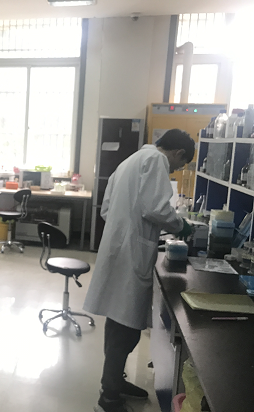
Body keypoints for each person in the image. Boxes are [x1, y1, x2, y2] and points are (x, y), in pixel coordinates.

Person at [83, 129, 193, 412]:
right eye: (179, 165)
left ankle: (114, 383)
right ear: (178, 152)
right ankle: (108, 399)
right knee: (126, 330)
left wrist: (128, 226)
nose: (175, 169)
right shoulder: (156, 161)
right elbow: (156, 209)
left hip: (118, 249)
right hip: (130, 255)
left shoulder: (131, 160)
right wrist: (181, 226)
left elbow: (107, 209)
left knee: (119, 324)